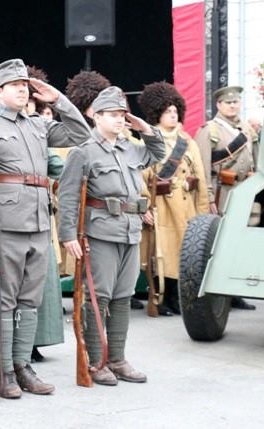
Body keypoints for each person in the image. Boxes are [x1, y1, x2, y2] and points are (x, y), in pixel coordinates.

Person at [0, 58, 90, 399]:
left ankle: (22, 365)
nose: (21, 88)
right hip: (4, 226)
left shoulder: (37, 125)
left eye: (25, 84)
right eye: (14, 84)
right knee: (5, 302)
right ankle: (4, 371)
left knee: (29, 301)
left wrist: (56, 99)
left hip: (36, 223)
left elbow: (81, 134)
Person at [58, 86, 166, 386]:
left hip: (130, 231)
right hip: (100, 233)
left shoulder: (130, 146)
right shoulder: (83, 151)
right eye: (114, 115)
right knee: (98, 297)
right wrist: (68, 236)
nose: (120, 120)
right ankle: (96, 361)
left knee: (122, 297)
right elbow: (67, 197)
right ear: (96, 116)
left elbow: (158, 153)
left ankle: (117, 358)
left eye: (123, 115)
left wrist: (143, 127)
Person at [137, 82, 210, 316]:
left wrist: (203, 213)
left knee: (184, 253)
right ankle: (161, 299)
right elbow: (141, 176)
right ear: (157, 112)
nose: (172, 115)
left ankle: (179, 298)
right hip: (162, 207)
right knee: (161, 254)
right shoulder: (147, 139)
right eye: (167, 111)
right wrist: (144, 207)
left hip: (186, 207)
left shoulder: (187, 141)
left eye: (175, 111)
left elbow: (200, 174)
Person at [195, 86, 258, 310]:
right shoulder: (210, 130)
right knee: (222, 242)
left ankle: (237, 292)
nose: (233, 105)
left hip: (246, 192)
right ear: (219, 105)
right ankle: (221, 292)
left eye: (236, 102)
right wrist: (209, 198)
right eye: (228, 102)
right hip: (223, 192)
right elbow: (202, 167)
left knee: (244, 241)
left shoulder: (247, 130)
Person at [25, 65, 65, 363]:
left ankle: (36, 340)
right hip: (10, 218)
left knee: (43, 283)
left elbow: (59, 167)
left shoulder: (40, 132)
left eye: (31, 104)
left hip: (41, 216)